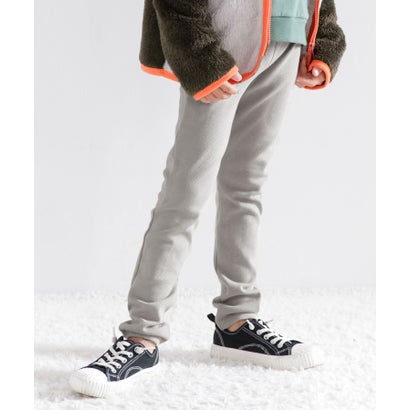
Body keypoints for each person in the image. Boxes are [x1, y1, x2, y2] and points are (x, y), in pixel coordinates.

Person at [69, 0, 346, 398]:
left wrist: (322, 38)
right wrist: (200, 56)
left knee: (246, 186)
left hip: (289, 39)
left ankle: (238, 321)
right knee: (185, 192)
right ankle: (142, 334)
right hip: (224, 39)